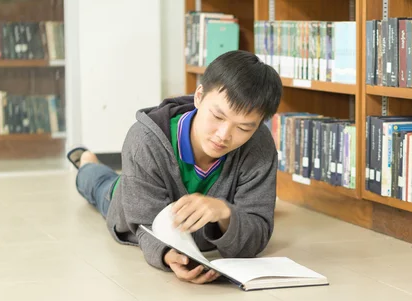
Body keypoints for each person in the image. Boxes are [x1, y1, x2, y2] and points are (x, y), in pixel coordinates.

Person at [67, 50, 283, 285]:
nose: (224, 136)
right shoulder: (144, 140)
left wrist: (225, 212)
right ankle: (87, 161)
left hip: (168, 199)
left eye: (243, 128)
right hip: (127, 198)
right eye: (218, 117)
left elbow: (258, 231)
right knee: (100, 186)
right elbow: (143, 223)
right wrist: (167, 255)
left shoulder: (260, 145)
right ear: (199, 96)